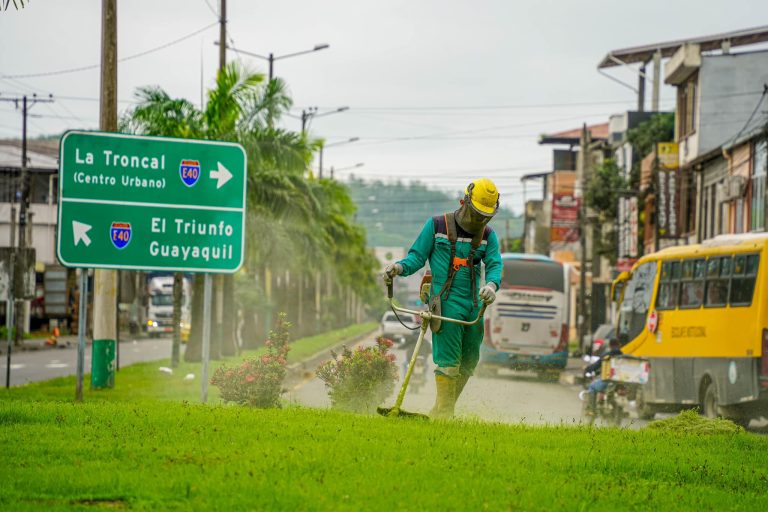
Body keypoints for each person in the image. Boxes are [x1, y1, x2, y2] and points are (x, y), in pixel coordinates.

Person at [385, 178, 503, 418]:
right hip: (445, 302)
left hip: (474, 304)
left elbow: (494, 264)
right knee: (449, 361)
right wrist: (398, 268)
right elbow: (416, 257)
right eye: (477, 214)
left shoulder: (488, 236)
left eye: (485, 216)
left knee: (469, 361)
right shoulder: (436, 225)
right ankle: (446, 414)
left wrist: (491, 285)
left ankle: (440, 410)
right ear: (464, 202)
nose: (480, 220)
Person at [584, 338, 622, 415]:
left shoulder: (607, 355)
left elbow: (596, 365)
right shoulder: (623, 356)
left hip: (607, 381)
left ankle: (592, 410)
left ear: (610, 346)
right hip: (620, 382)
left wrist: (588, 369)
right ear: (619, 345)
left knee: (592, 387)